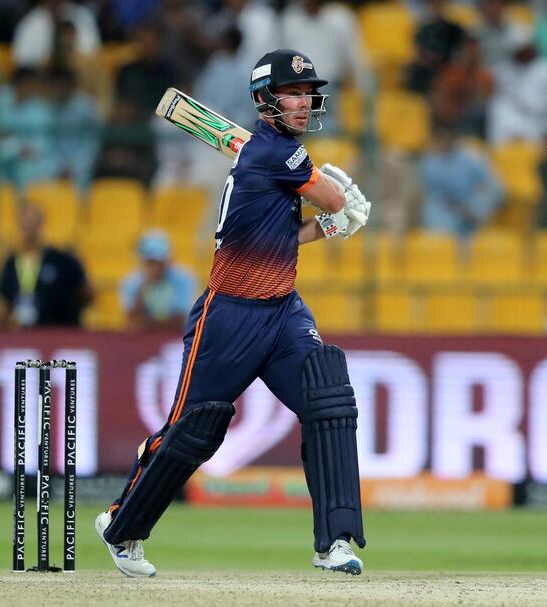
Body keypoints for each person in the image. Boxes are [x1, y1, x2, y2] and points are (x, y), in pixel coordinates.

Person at [94, 49, 371, 578]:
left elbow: (286, 235)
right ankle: (120, 524)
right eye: (294, 92)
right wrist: (340, 209)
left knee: (328, 400)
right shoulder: (275, 154)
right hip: (229, 316)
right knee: (191, 429)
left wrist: (330, 228)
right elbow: (332, 198)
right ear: (266, 101)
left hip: (283, 310)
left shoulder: (271, 161)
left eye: (308, 92)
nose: (306, 101)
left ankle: (333, 543)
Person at [0, 205, 93, 327]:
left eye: (32, 223)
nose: (28, 228)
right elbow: (5, 302)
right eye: (24, 224)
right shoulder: (11, 263)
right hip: (27, 333)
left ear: (41, 224)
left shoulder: (62, 260)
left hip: (59, 332)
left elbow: (86, 292)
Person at [120, 230, 197, 330]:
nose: (155, 267)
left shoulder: (183, 279)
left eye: (158, 262)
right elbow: (131, 321)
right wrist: (145, 286)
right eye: (150, 262)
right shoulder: (131, 282)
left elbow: (181, 319)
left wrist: (146, 323)